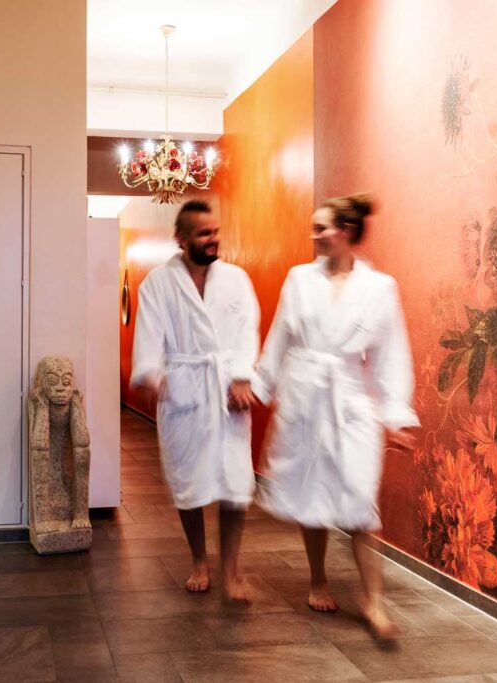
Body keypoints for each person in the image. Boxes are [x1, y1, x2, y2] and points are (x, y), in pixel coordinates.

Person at [253, 193, 419, 638]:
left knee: (362, 503)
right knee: (313, 496)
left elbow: (391, 354)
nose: (315, 236)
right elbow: (280, 338)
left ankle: (373, 602)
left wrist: (396, 414)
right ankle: (318, 579)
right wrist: (261, 386)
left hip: (351, 403)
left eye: (321, 228)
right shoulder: (298, 279)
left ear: (345, 232)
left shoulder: (380, 288)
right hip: (306, 398)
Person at [130, 199, 259, 601]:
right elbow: (149, 335)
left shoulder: (236, 280)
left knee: (235, 484)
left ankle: (231, 571)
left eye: (215, 232)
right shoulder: (157, 283)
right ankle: (199, 560)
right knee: (188, 482)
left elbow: (247, 330)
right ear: (181, 238)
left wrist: (242, 375)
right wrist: (151, 373)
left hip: (226, 391)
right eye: (204, 233)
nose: (213, 239)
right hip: (184, 390)